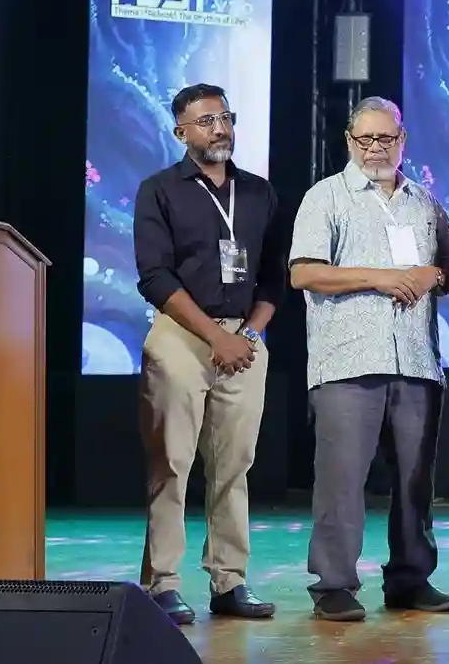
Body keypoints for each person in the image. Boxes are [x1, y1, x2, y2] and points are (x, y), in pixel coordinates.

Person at [289, 97, 449, 622]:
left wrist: (434, 275)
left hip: (416, 361)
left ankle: (410, 579)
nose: (375, 148)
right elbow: (304, 272)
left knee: (416, 482)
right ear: (349, 141)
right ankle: (334, 585)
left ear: (402, 140)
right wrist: (380, 277)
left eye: (385, 138)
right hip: (348, 361)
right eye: (365, 139)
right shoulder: (326, 196)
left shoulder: (423, 201)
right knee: (342, 482)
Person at [131, 84, 286, 625]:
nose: (219, 128)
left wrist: (249, 335)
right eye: (205, 121)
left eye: (225, 117)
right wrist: (215, 338)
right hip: (181, 334)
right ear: (182, 132)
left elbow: (273, 276)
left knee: (234, 466)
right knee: (171, 463)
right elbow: (154, 277)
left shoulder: (259, 193)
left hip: (244, 339)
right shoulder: (159, 190)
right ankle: (163, 583)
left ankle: (230, 581)